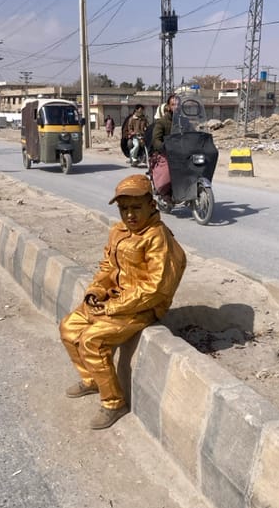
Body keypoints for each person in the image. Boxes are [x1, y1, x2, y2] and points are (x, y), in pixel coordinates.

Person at [60, 174, 186, 430]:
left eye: (135, 208)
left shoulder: (157, 237)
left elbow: (155, 288)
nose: (129, 215)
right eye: (124, 208)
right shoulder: (119, 231)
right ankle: (93, 379)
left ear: (151, 205)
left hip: (142, 307)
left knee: (92, 341)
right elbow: (108, 266)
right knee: (69, 327)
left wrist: (113, 307)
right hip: (114, 298)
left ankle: (114, 403)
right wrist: (96, 291)